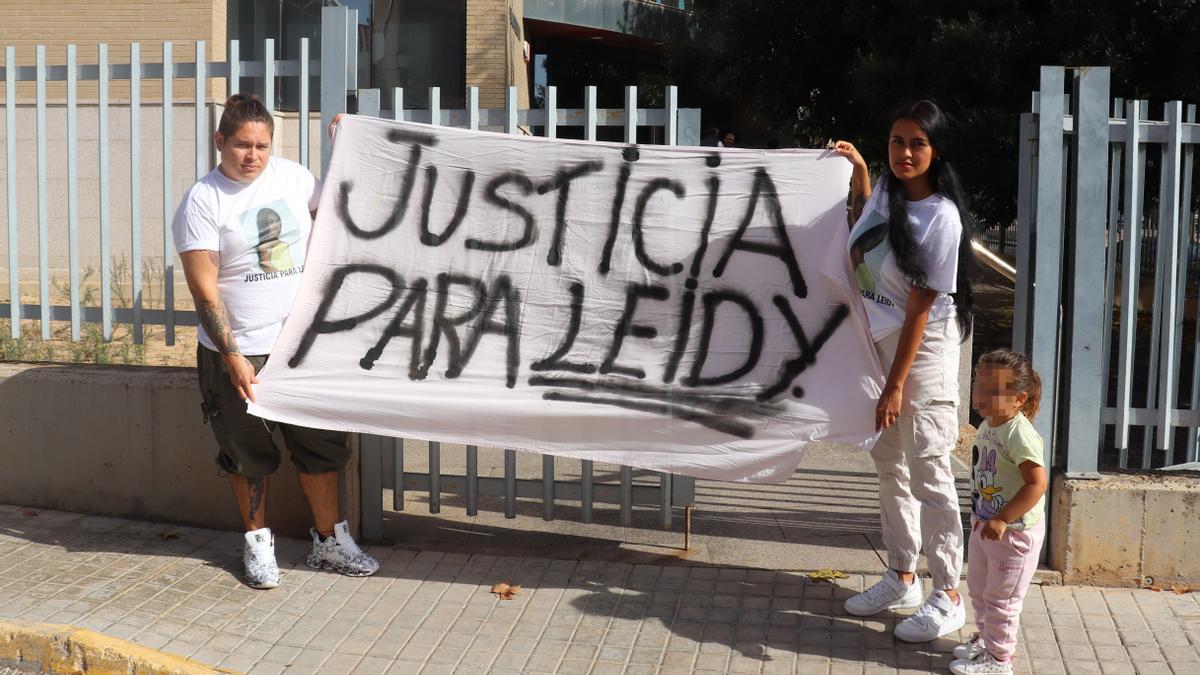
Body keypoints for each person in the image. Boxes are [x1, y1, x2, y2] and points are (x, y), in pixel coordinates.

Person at [173, 93, 379, 589]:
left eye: (262, 145)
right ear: (219, 141)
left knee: (321, 446)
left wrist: (347, 144)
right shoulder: (203, 201)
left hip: (302, 344)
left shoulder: (292, 177)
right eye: (242, 145)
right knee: (247, 454)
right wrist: (233, 357)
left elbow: (342, 206)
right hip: (240, 350)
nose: (253, 155)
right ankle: (258, 545)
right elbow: (204, 292)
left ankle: (329, 542)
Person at [832, 99, 976, 642]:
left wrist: (894, 384)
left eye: (917, 143)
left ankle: (948, 593)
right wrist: (864, 175)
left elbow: (920, 305)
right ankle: (902, 574)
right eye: (896, 142)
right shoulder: (888, 193)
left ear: (936, 151)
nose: (905, 152)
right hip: (878, 349)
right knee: (889, 464)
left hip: (923, 353)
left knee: (931, 471)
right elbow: (865, 233)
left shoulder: (942, 216)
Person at [951, 349, 1047, 675]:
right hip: (986, 526)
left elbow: (1036, 483)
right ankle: (987, 641)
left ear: (1019, 399)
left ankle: (1000, 660)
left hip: (1013, 533)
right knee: (979, 589)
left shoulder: (1019, 434)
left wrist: (1003, 518)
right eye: (980, 386)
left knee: (1002, 601)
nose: (982, 395)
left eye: (994, 391)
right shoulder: (990, 424)